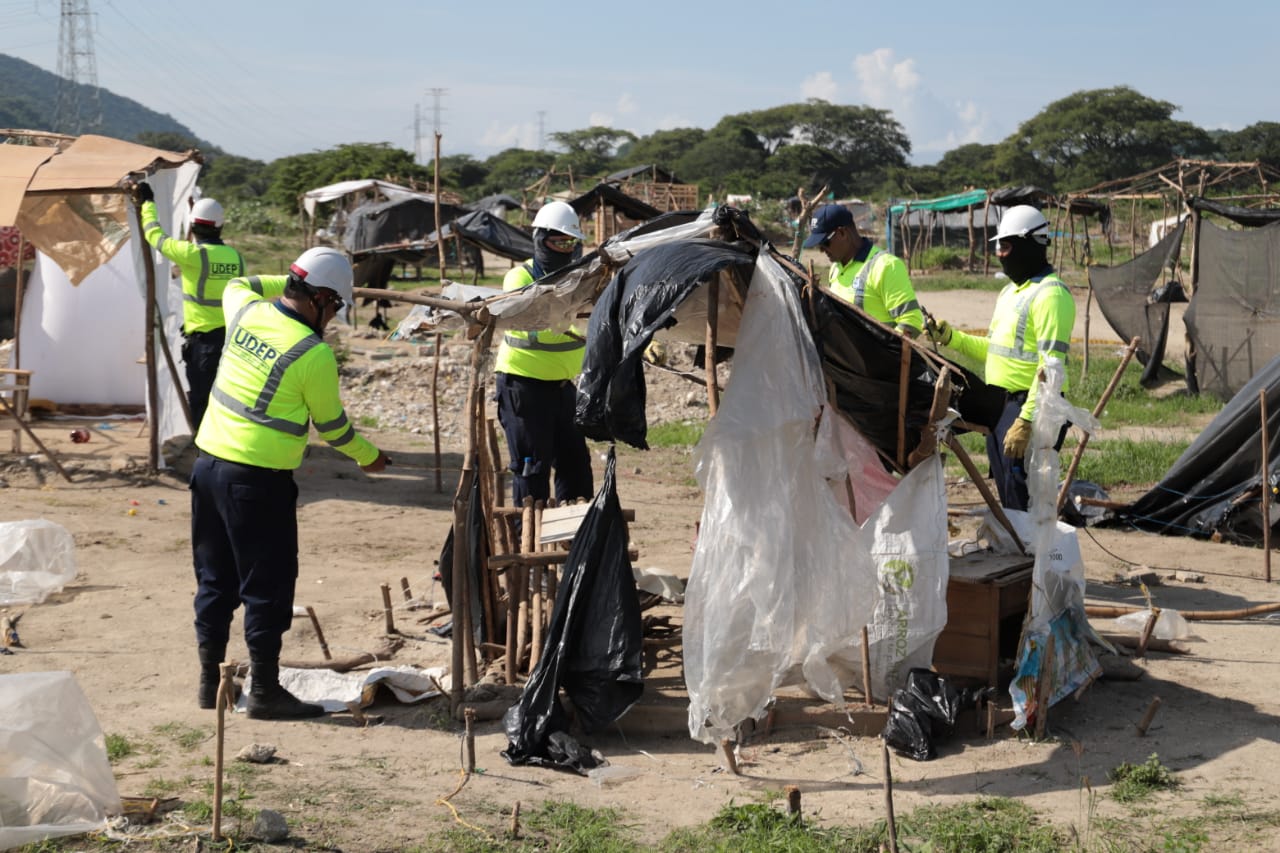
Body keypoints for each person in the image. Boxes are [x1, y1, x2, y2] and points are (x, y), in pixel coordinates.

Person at [189, 247, 390, 719]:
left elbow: (242, 282)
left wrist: (294, 274)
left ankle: (209, 685)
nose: (335, 317)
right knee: (267, 588)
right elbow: (334, 427)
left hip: (208, 469)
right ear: (319, 298)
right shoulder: (313, 354)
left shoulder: (246, 309)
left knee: (215, 581)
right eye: (335, 305)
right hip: (257, 483)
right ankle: (263, 692)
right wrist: (372, 458)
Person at [926, 205, 1075, 512]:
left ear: (1027, 245)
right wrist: (951, 338)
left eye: (1005, 246)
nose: (999, 254)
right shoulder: (1010, 293)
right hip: (1001, 405)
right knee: (1008, 489)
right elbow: (995, 349)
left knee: (1025, 493)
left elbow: (1052, 366)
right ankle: (1020, 549)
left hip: (1032, 408)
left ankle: (1037, 555)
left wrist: (1026, 420)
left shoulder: (1051, 295)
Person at [494, 200, 594, 508]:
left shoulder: (581, 277)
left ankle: (572, 539)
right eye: (559, 241)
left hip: (563, 387)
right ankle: (529, 542)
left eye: (571, 242)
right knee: (531, 467)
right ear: (541, 240)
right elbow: (534, 318)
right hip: (523, 386)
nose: (566, 249)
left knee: (576, 466)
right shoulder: (520, 277)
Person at [134, 182, 245, 432]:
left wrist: (148, 203)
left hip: (204, 346)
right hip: (233, 343)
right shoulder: (237, 258)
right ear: (221, 226)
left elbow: (153, 234)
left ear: (193, 227)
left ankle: (205, 455)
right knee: (229, 401)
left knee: (202, 402)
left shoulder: (192, 254)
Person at [803, 203, 923, 337]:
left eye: (825, 243)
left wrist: (884, 353)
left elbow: (912, 321)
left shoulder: (885, 266)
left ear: (842, 233)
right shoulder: (835, 269)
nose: (821, 250)